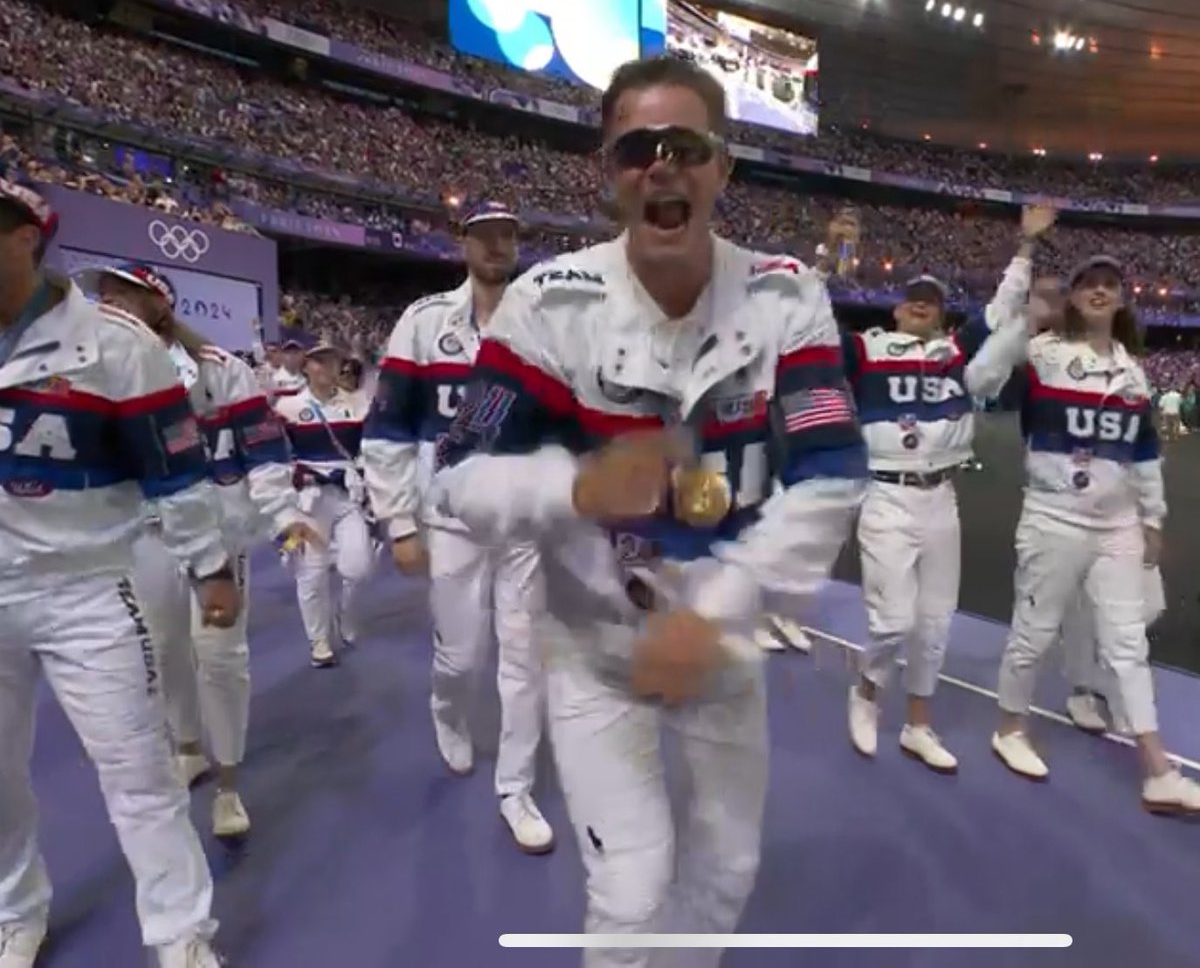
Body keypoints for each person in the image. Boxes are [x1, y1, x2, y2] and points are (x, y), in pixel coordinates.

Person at [431, 57, 867, 964]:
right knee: (631, 886)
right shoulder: (550, 305)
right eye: (638, 149)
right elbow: (456, 476)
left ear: (724, 168)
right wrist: (572, 487)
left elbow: (830, 472)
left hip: (721, 632)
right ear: (610, 171)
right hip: (595, 642)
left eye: (686, 146)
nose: (661, 165)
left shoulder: (788, 295)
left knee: (724, 871)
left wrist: (718, 614)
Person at [0, 180, 235, 966]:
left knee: (139, 771)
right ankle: (13, 913)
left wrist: (210, 568)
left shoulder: (116, 344)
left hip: (88, 585)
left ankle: (181, 934)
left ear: (32, 238)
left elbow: (176, 468)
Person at [81, 261, 319, 839]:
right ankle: (188, 747)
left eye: (121, 295)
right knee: (164, 651)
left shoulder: (220, 373)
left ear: (158, 304)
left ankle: (229, 787)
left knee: (219, 658)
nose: (106, 303)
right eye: (102, 295)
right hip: (142, 536)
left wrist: (285, 515)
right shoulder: (94, 375)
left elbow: (263, 453)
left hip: (216, 536)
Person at [965, 254, 1200, 815]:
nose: (1098, 291)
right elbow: (978, 380)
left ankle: (1158, 770)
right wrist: (1024, 322)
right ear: (1072, 298)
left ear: (1121, 300)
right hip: (1054, 516)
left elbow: (1144, 453)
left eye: (1109, 284)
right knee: (1034, 630)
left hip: (1117, 524)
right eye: (1087, 283)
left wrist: (1154, 518)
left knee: (1128, 644)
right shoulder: (1044, 353)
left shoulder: (1133, 371)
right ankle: (1009, 728)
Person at [362, 201, 555, 855]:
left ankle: (516, 788)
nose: (498, 245)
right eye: (485, 235)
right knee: (461, 653)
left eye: (508, 234)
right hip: (450, 518)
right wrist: (397, 521)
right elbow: (388, 428)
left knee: (526, 659)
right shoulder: (423, 323)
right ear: (463, 244)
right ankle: (448, 710)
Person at [845, 204, 1056, 773]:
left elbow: (1003, 306)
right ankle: (866, 689)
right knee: (892, 620)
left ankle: (918, 725)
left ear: (941, 316)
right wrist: (829, 258)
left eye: (931, 300)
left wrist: (1026, 247)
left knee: (936, 622)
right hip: (887, 494)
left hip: (942, 499)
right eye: (913, 296)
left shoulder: (954, 353)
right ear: (895, 309)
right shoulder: (867, 349)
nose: (921, 303)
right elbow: (810, 328)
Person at [275, 342, 375, 666]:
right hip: (309, 500)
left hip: (347, 496)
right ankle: (318, 641)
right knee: (312, 574)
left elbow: (370, 449)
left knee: (358, 567)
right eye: (320, 362)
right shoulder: (287, 407)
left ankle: (345, 615)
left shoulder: (357, 404)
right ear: (306, 367)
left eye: (333, 362)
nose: (327, 368)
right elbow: (275, 457)